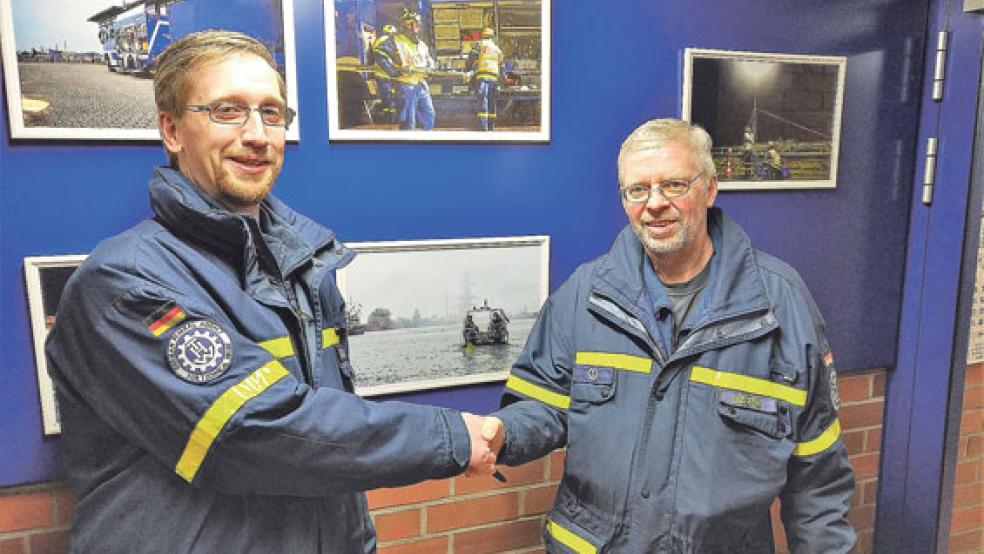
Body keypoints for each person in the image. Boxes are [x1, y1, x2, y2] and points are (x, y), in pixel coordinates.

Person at [45, 30, 496, 554]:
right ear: (172, 130)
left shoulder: (303, 266)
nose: (257, 134)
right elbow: (254, 433)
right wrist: (449, 437)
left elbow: (328, 441)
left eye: (271, 113)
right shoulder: (125, 282)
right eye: (228, 111)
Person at [479, 119, 855, 552]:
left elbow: (819, 481)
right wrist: (503, 433)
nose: (654, 203)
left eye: (674, 184)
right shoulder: (584, 295)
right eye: (637, 190)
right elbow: (541, 402)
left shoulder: (780, 305)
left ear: (710, 189)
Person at [375, 9, 435, 130]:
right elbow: (379, 53)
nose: (414, 27)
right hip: (406, 85)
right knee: (408, 121)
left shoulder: (422, 45)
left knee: (429, 116)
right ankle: (408, 145)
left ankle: (427, 144)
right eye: (410, 24)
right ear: (404, 25)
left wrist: (430, 69)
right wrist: (394, 71)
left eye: (416, 24)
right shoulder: (396, 40)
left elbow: (430, 61)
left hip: (421, 85)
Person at [467, 27, 503, 131]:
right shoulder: (497, 49)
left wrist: (468, 70)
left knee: (483, 101)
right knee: (492, 102)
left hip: (482, 77)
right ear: (492, 37)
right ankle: (492, 127)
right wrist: (501, 81)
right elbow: (502, 65)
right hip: (494, 78)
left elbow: (471, 59)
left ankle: (483, 128)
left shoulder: (479, 45)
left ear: (483, 35)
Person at [370, 24, 398, 124]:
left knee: (389, 98)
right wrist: (393, 72)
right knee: (388, 98)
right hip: (384, 75)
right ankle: (389, 121)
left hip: (386, 75)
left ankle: (390, 119)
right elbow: (382, 59)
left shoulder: (383, 40)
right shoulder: (384, 40)